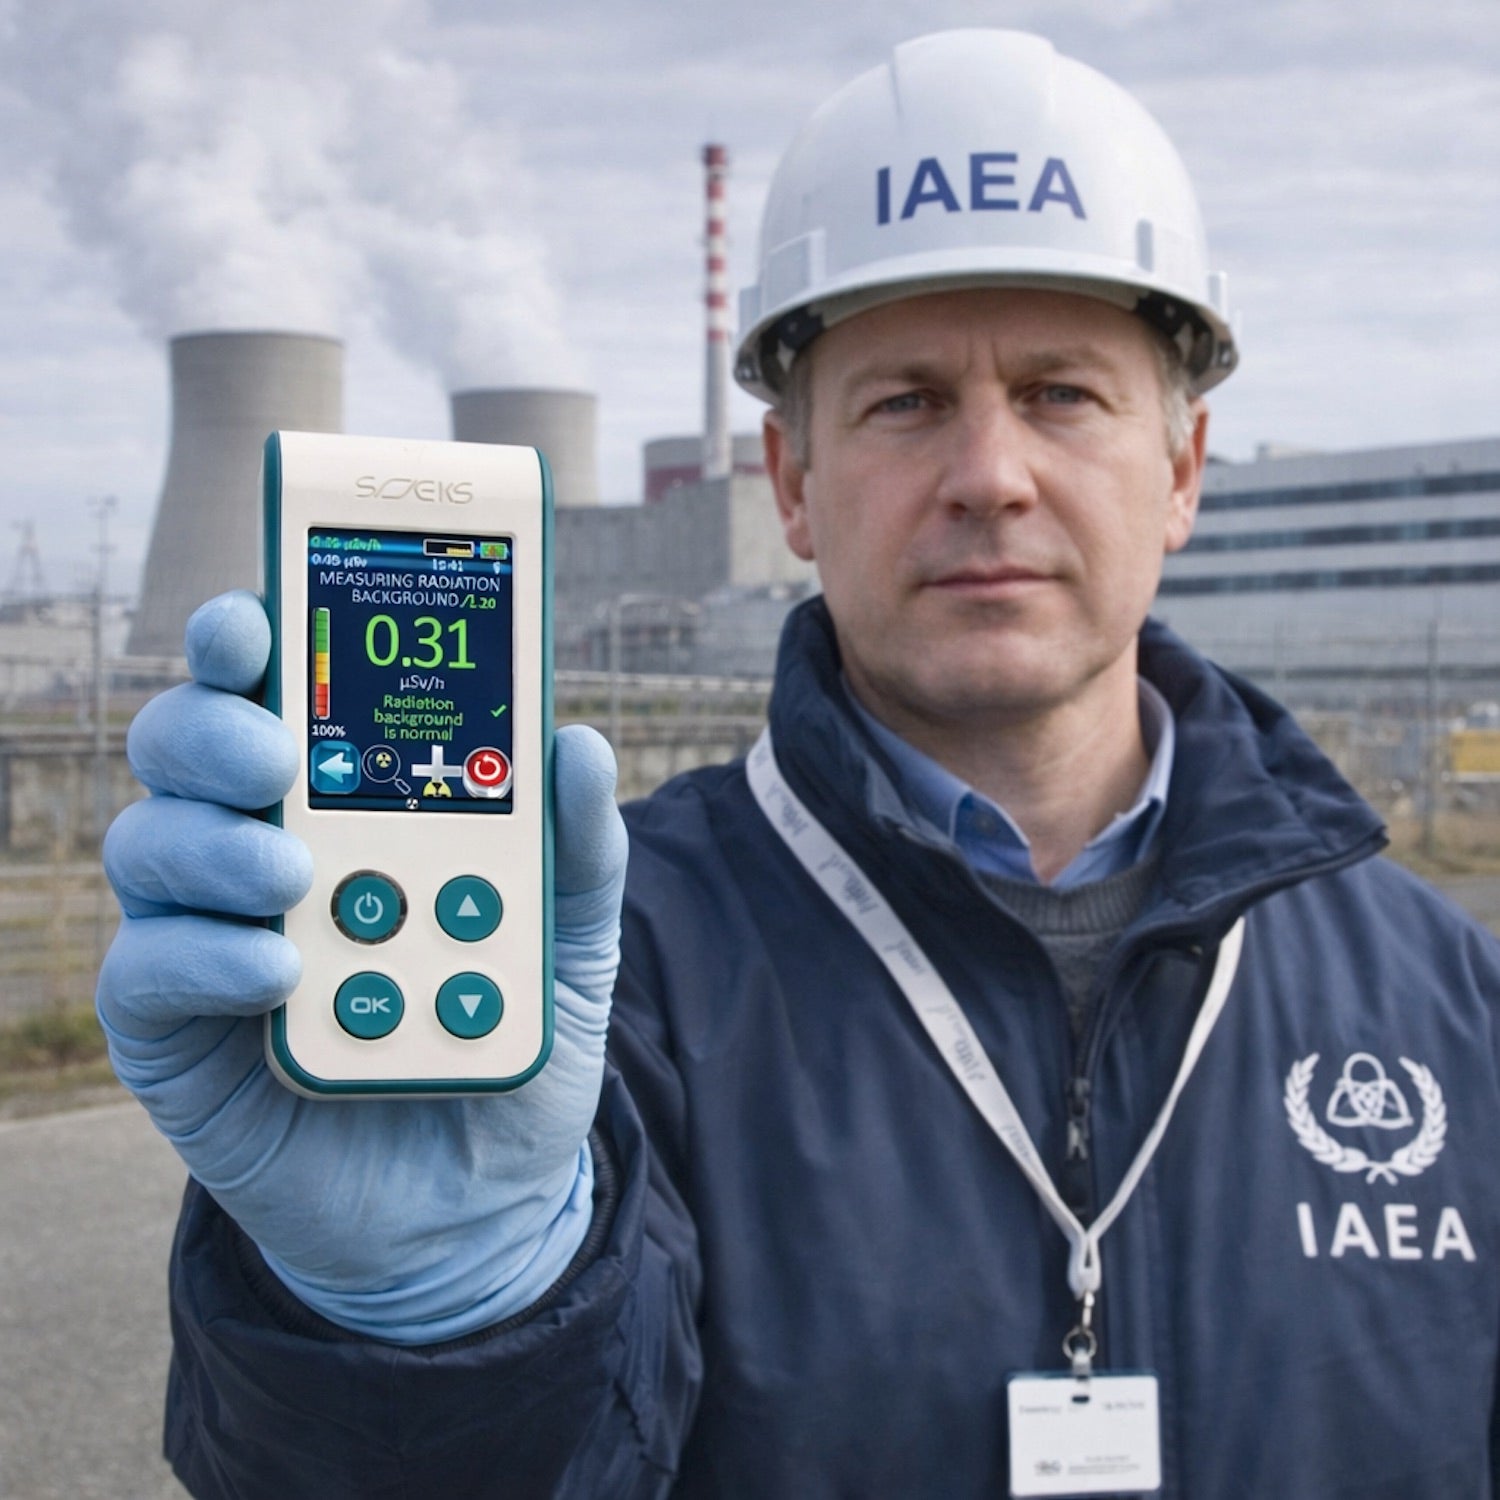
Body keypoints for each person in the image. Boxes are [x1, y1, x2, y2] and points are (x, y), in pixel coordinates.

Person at [98, 29, 1500, 1499]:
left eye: (1064, 394)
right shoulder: (590, 984)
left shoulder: (1441, 997)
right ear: (792, 485)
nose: (990, 474)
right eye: (904, 401)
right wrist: (424, 1332)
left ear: (1186, 469)